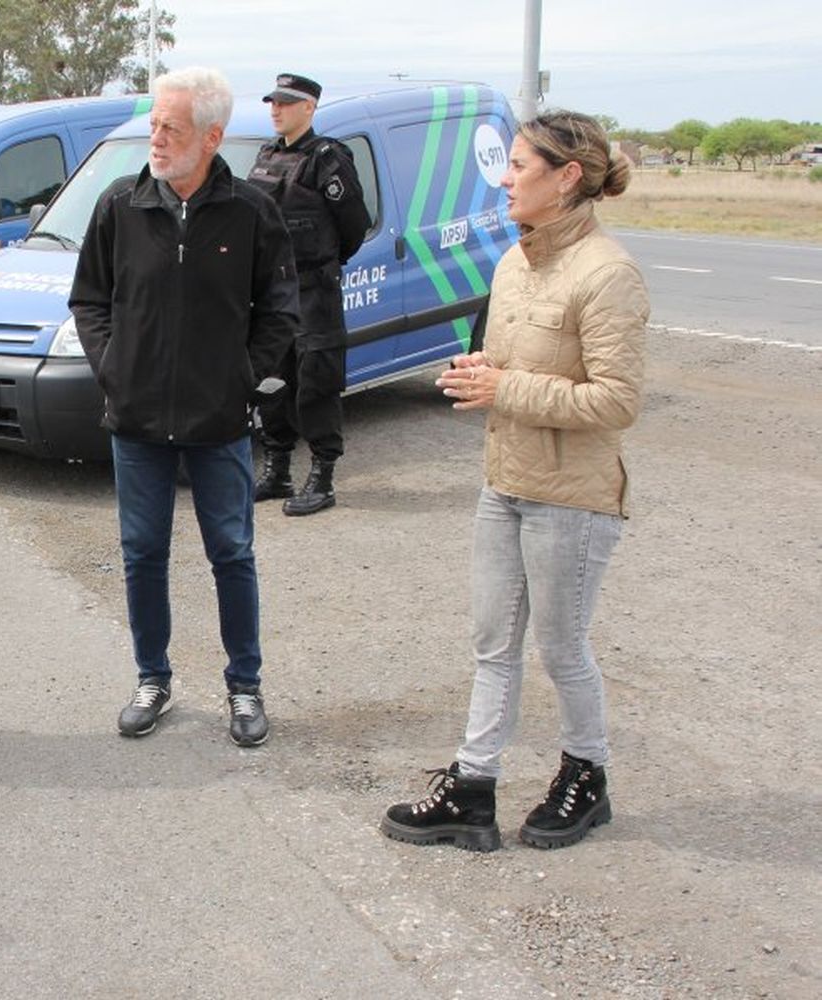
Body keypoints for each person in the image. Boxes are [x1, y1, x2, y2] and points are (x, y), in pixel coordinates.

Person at [380, 111, 647, 852]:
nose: (503, 177)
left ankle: (586, 780)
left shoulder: (608, 273)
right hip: (506, 483)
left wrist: (508, 388)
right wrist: (478, 378)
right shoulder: (512, 262)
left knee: (562, 648)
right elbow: (510, 369)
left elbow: (617, 401)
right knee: (493, 645)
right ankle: (472, 791)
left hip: (574, 497)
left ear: (566, 179)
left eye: (520, 164)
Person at [68, 68, 298, 747]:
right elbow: (89, 300)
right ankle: (152, 678)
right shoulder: (121, 204)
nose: (157, 138)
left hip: (218, 423)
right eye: (154, 125)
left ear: (212, 136)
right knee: (142, 554)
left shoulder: (252, 212)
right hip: (135, 423)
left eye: (171, 128)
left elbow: (281, 313)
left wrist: (238, 380)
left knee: (231, 552)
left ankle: (245, 687)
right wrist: (115, 370)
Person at [246, 73, 369, 515]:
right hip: (271, 291)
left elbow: (354, 225)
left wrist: (322, 263)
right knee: (271, 378)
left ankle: (322, 477)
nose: (275, 109)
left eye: (285, 102)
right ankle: (277, 469)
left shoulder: (326, 158)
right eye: (272, 102)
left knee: (316, 381)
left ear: (309, 108)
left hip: (314, 289)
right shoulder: (265, 156)